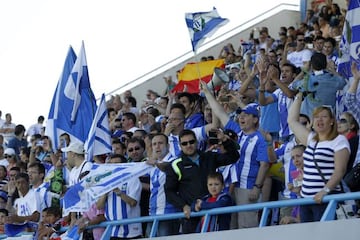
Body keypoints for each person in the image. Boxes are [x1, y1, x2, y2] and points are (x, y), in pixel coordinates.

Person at [288, 91, 350, 222]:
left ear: (332, 121)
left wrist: (325, 191)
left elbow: (340, 170)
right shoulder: (312, 140)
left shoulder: (339, 141)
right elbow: (292, 121)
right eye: (316, 117)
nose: (319, 120)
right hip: (306, 201)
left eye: (324, 117)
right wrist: (299, 95)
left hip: (325, 199)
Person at [165, 129, 239, 234]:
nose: (188, 145)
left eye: (191, 142)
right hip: (192, 216)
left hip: (212, 214)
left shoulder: (209, 157)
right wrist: (183, 206)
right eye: (184, 143)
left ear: (197, 142)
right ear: (180, 146)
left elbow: (233, 157)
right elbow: (169, 191)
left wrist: (225, 140)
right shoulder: (175, 165)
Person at [145, 133, 179, 237]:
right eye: (154, 144)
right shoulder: (152, 165)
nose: (157, 146)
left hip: (168, 213)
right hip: (153, 213)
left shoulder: (175, 161)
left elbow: (170, 168)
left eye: (160, 143)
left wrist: (155, 163)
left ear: (168, 146)